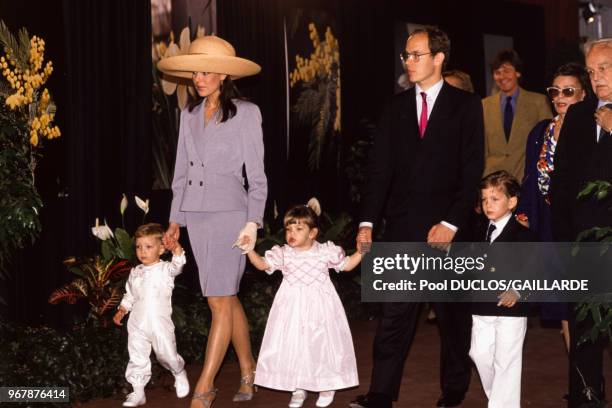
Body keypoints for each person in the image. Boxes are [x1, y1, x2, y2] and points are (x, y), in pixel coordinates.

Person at [353, 26, 484, 408]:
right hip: (404, 227)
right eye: (406, 56)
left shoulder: (466, 105)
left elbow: (471, 170)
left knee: (451, 317)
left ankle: (454, 389)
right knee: (394, 315)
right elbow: (380, 172)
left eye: (416, 55)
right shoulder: (395, 108)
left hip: (450, 229)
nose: (408, 62)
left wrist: (452, 222)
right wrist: (367, 221)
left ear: (439, 57)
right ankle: (381, 393)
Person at [156, 35, 267, 408]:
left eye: (205, 71)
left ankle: (204, 386)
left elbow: (258, 176)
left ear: (223, 74)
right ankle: (248, 369)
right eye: (195, 72)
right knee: (223, 297)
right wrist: (175, 222)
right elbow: (181, 174)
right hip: (197, 217)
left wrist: (253, 222)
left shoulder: (247, 112)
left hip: (232, 217)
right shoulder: (188, 115)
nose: (198, 78)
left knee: (219, 300)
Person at [243, 198, 361, 408]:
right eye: (289, 229)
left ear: (313, 233)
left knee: (321, 343)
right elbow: (262, 265)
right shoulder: (284, 253)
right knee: (294, 344)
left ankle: (326, 384)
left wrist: (362, 251)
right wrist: (249, 250)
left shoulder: (325, 251)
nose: (292, 234)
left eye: (298, 228)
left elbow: (348, 265)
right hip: (291, 307)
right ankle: (298, 387)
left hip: (320, 307)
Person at [551, 37, 612, 408]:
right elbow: (562, 185)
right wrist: (562, 244)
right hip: (582, 247)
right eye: (591, 71)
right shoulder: (577, 114)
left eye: (604, 68)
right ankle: (586, 398)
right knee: (585, 333)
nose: (596, 77)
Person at [516, 63, 591, 352]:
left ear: (583, 95)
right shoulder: (539, 131)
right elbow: (530, 180)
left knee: (588, 305)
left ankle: (589, 380)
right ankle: (579, 378)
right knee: (562, 305)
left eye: (568, 91)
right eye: (555, 91)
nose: (560, 97)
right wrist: (524, 216)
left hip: (582, 228)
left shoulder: (594, 131)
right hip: (550, 226)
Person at [470, 171, 536, 408]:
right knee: (480, 355)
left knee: (506, 362)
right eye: (484, 199)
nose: (488, 205)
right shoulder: (477, 231)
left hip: (512, 310)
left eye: (495, 199)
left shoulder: (524, 236)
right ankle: (500, 399)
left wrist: (518, 292)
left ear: (512, 201)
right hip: (481, 306)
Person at [113, 223, 190, 407]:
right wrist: (122, 309)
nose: (142, 251)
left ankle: (179, 372)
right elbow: (130, 295)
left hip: (159, 324)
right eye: (138, 247)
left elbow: (178, 264)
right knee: (137, 355)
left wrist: (177, 247)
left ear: (162, 248)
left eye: (148, 247)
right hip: (137, 323)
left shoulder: (165, 270)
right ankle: (138, 391)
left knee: (166, 354)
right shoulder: (135, 272)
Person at [482, 49, 552, 181]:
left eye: (507, 71)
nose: (502, 77)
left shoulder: (538, 102)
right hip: (493, 181)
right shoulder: (484, 106)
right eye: (497, 73)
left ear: (518, 73)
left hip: (526, 178)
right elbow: (481, 149)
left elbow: (546, 143)